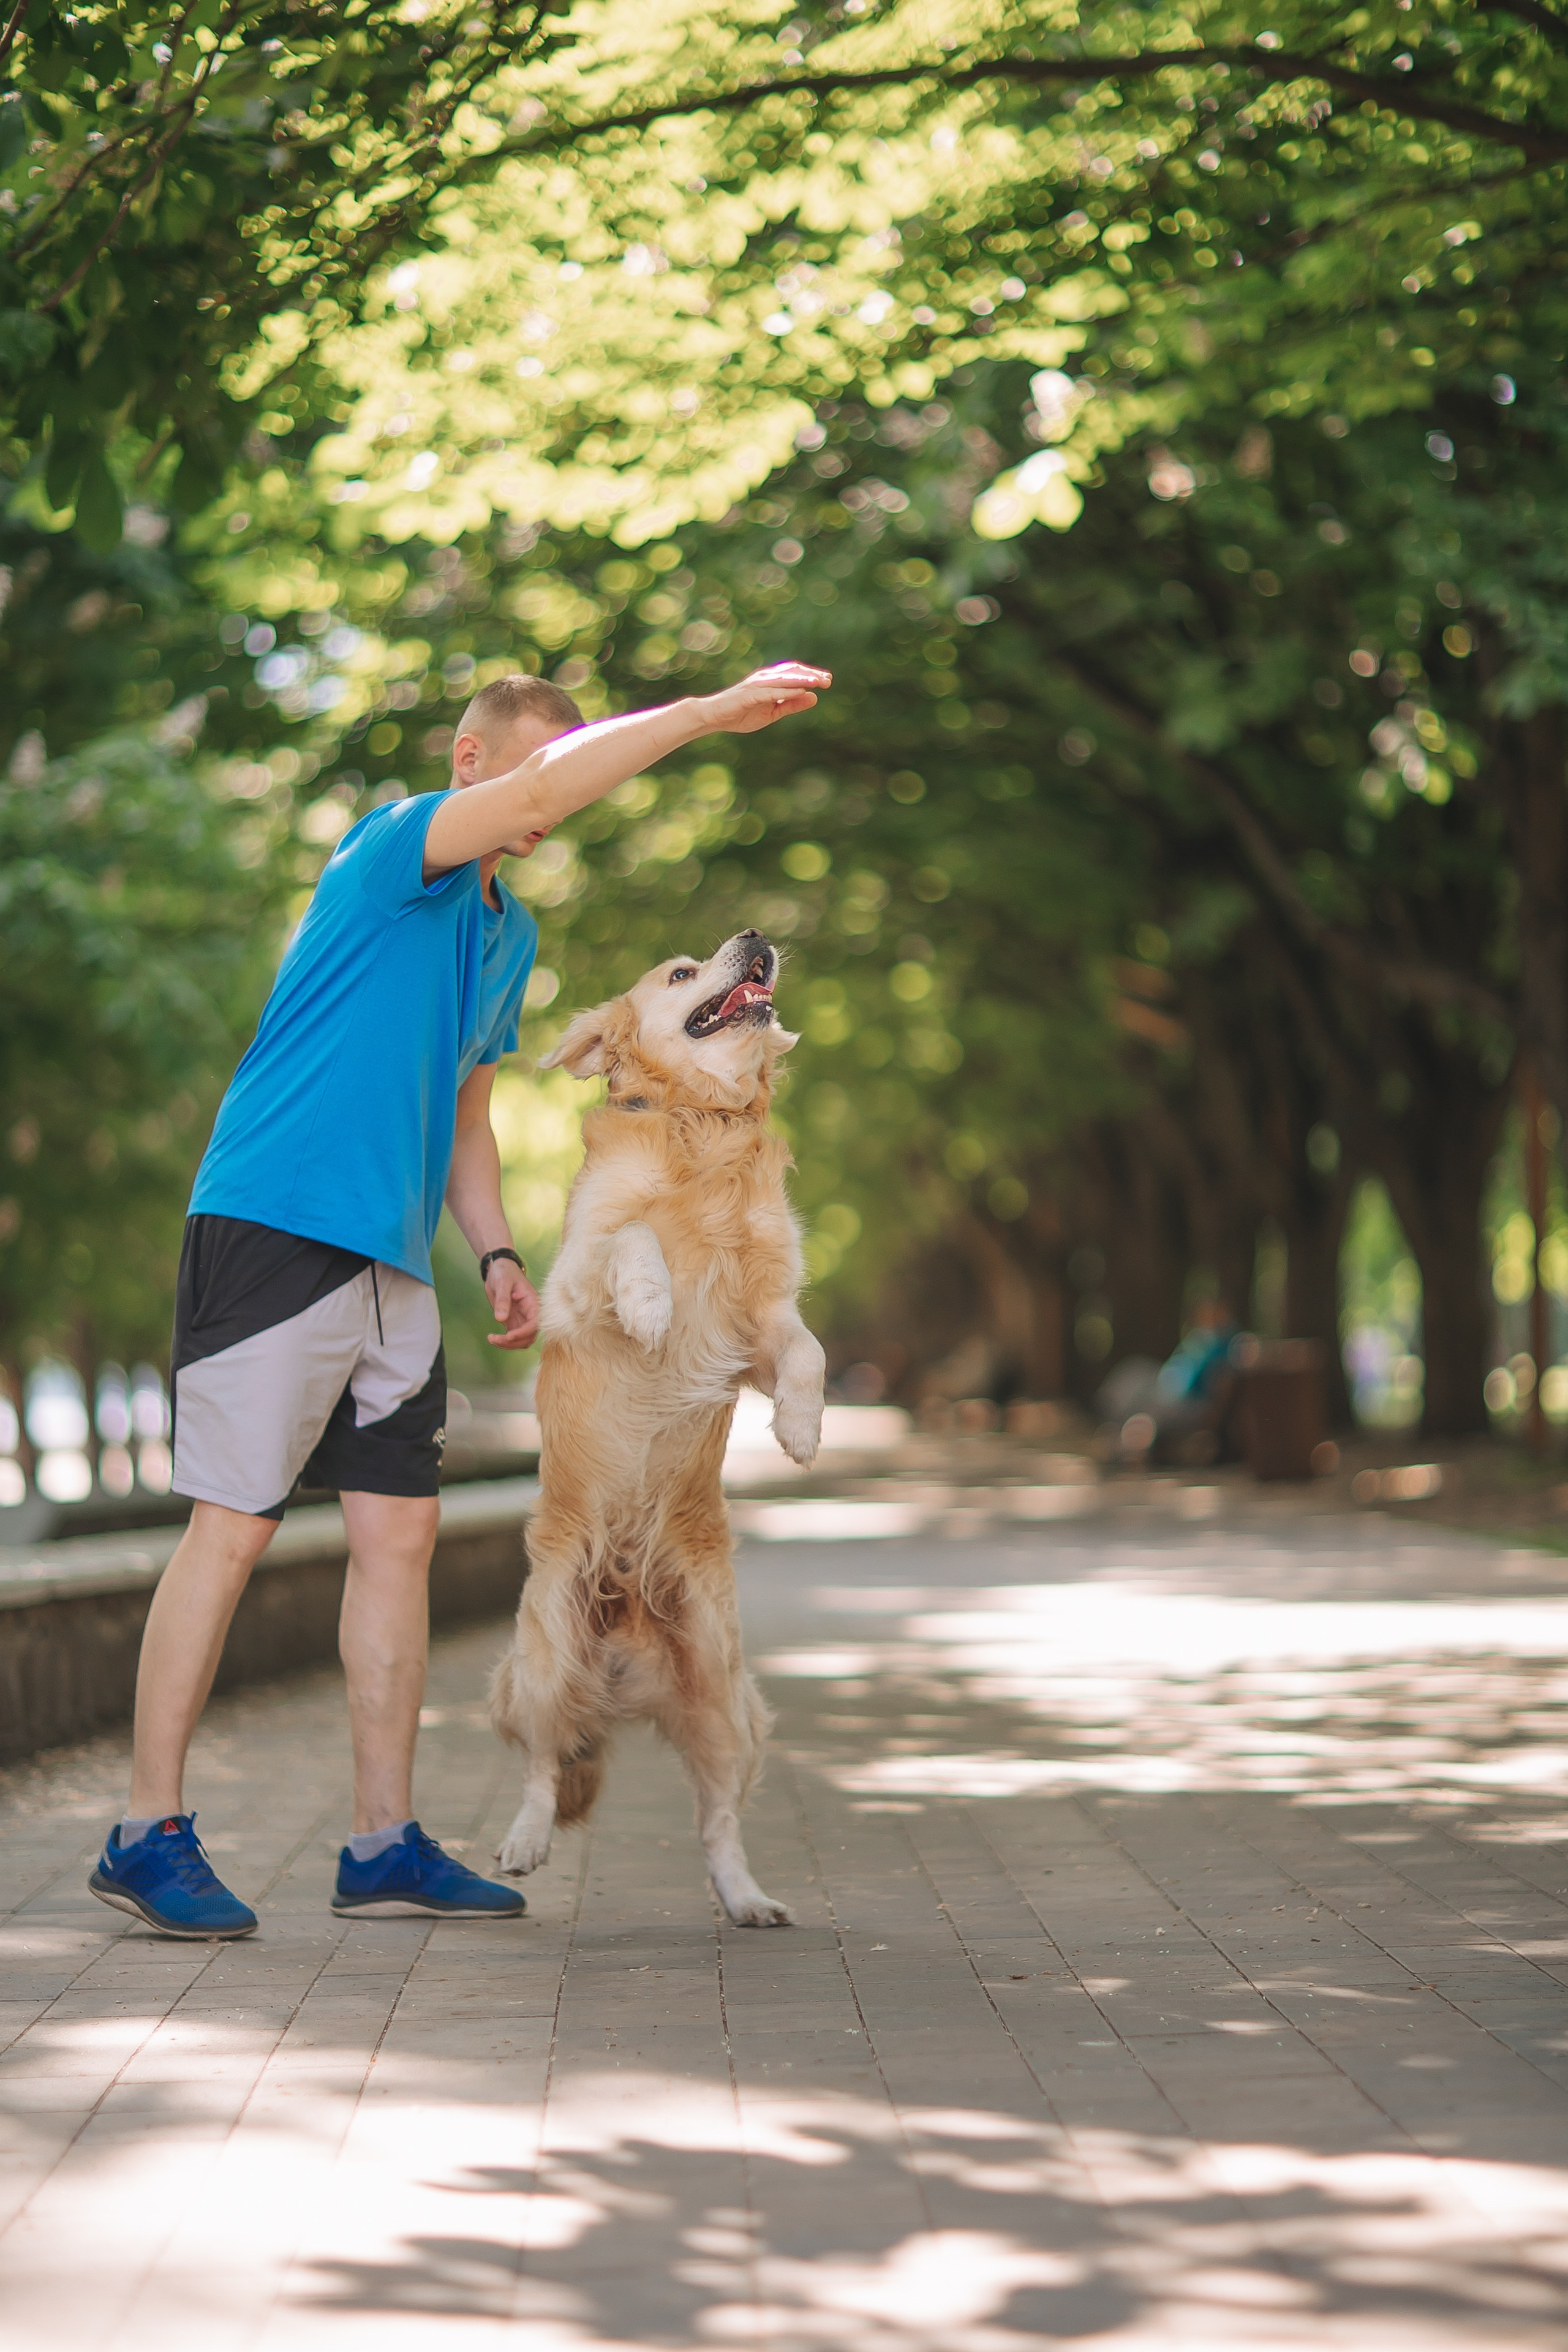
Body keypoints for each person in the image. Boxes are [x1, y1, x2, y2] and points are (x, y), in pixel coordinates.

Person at [89, 658, 831, 1938]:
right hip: (272, 1223)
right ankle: (144, 1830)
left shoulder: (509, 930)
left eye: (562, 784)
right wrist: (709, 714)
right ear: (470, 762)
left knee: (398, 1540)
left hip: (390, 1259)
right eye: (531, 776)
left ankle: (381, 1842)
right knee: (234, 1528)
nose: (548, 809)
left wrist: (489, 1248)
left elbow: (464, 1110)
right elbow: (543, 785)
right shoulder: (397, 854)